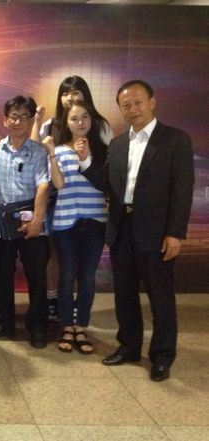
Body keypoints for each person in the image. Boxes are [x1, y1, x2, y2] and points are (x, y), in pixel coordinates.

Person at [81, 80, 194, 381]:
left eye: (137, 102)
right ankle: (129, 347)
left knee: (161, 297)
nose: (132, 109)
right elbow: (106, 184)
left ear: (152, 102)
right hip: (122, 229)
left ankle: (162, 355)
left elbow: (182, 190)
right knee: (125, 294)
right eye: (126, 105)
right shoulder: (118, 144)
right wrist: (85, 162)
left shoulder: (175, 140)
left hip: (157, 232)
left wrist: (175, 232)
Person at [32, 75, 113, 322]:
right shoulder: (52, 127)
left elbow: (107, 176)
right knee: (60, 261)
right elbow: (38, 155)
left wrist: (86, 160)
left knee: (86, 272)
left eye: (76, 92)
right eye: (66, 93)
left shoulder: (100, 128)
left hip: (92, 209)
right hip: (60, 205)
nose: (70, 98)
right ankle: (57, 304)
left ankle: (79, 315)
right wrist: (37, 122)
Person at [0, 96, 50, 349]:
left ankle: (38, 325)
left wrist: (37, 220)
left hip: (31, 222)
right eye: (13, 116)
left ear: (32, 120)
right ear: (5, 120)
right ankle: (5, 321)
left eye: (24, 117)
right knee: (2, 275)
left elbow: (43, 186)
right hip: (0, 223)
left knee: (37, 276)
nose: (18, 121)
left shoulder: (39, 151)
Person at [46, 100, 108, 354]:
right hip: (65, 221)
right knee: (67, 275)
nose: (80, 122)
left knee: (87, 277)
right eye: (74, 118)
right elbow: (58, 185)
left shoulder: (103, 151)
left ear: (92, 120)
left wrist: (86, 159)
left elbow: (105, 184)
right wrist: (52, 153)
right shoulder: (60, 151)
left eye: (84, 117)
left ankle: (81, 325)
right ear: (67, 123)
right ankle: (66, 325)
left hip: (95, 221)